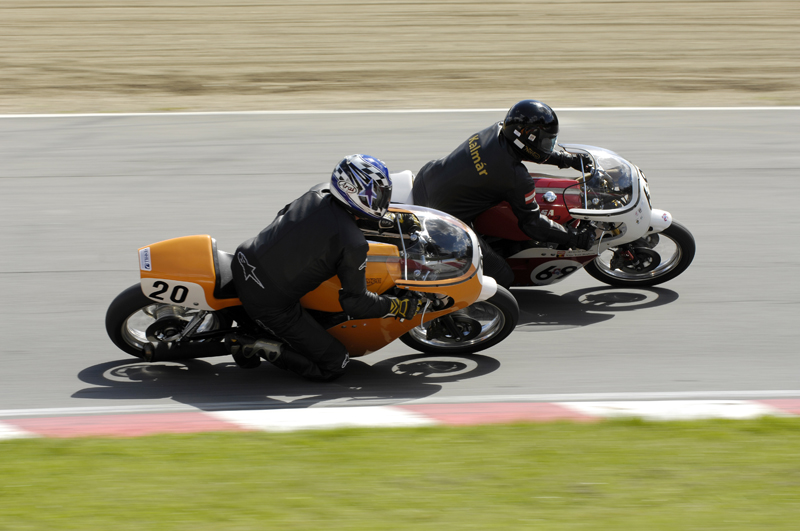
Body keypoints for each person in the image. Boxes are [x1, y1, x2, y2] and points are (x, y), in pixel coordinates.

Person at [227, 154, 422, 381]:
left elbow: (290, 216)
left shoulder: (317, 192)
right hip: (269, 302)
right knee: (334, 363)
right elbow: (357, 304)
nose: (382, 200)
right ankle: (251, 344)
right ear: (353, 189)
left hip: (245, 255)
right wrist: (398, 306)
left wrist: (393, 220)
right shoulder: (353, 244)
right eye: (376, 194)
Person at [411, 99, 597, 288]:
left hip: (427, 179)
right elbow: (533, 225)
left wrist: (565, 160)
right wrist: (573, 237)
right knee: (502, 277)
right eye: (546, 142)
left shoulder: (496, 130)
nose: (548, 147)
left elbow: (526, 148)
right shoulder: (515, 176)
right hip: (439, 220)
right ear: (526, 138)